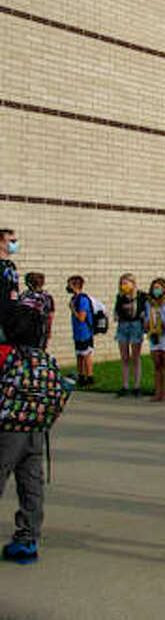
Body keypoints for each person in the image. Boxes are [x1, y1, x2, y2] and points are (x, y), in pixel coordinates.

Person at [0, 304, 51, 564]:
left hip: (6, 429)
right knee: (31, 484)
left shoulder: (5, 354)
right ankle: (27, 539)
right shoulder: (40, 357)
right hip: (34, 428)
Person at [113, 274, 147, 397]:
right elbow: (116, 313)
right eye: (122, 284)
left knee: (136, 357)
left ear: (133, 284)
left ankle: (137, 385)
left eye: (126, 283)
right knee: (125, 357)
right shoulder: (120, 297)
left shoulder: (141, 296)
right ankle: (125, 385)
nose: (124, 286)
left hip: (136, 325)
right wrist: (118, 314)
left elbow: (144, 311)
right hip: (123, 326)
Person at [66, 276, 96, 387]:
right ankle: (81, 375)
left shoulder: (82, 300)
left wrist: (73, 309)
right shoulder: (74, 298)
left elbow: (82, 318)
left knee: (86, 354)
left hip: (85, 332)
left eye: (70, 284)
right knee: (79, 354)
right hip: (77, 332)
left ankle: (89, 376)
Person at [17, 273, 55, 352]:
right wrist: (49, 330)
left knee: (25, 352)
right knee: (39, 352)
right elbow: (50, 316)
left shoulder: (24, 296)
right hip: (41, 329)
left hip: (26, 329)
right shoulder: (47, 297)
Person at [0, 229, 19, 302]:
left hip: (11, 308)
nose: (15, 244)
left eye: (15, 241)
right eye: (12, 241)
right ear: (1, 243)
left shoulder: (11, 265)